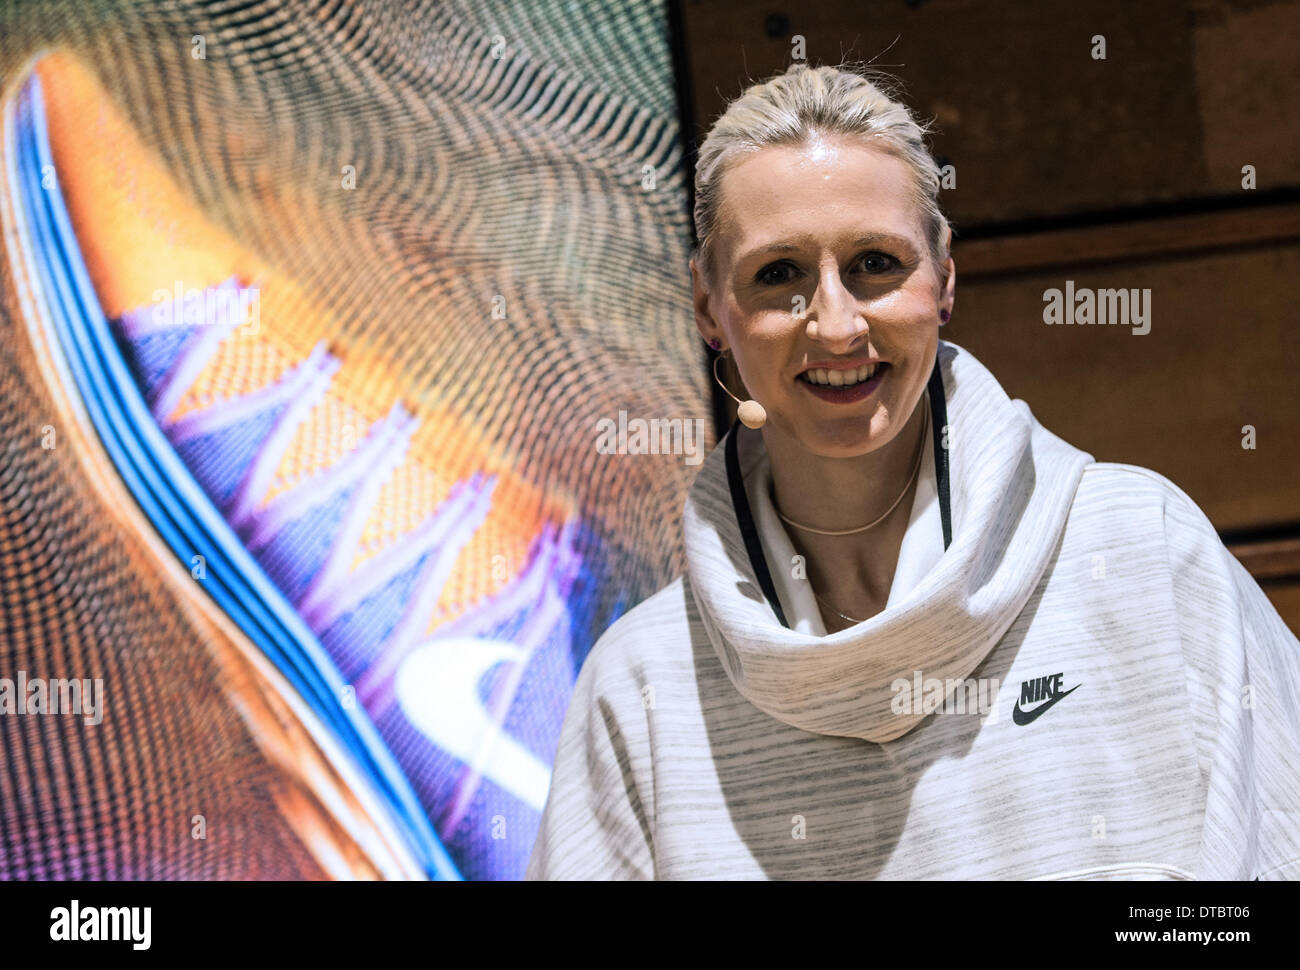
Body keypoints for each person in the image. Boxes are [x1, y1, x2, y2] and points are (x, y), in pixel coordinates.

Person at [524, 61, 1300, 880]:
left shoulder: (1144, 553)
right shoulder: (640, 688)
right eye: (778, 274)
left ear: (945, 277)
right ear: (709, 307)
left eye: (875, 263)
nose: (834, 324)